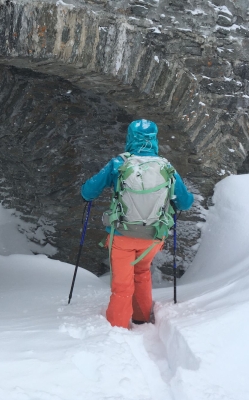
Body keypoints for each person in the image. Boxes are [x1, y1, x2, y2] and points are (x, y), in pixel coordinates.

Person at [81, 119, 193, 329]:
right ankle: (141, 316)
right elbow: (185, 203)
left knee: (122, 284)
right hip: (153, 237)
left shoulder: (118, 164)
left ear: (130, 138)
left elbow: (88, 192)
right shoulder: (166, 167)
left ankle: (118, 326)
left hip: (123, 236)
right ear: (155, 139)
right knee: (141, 272)